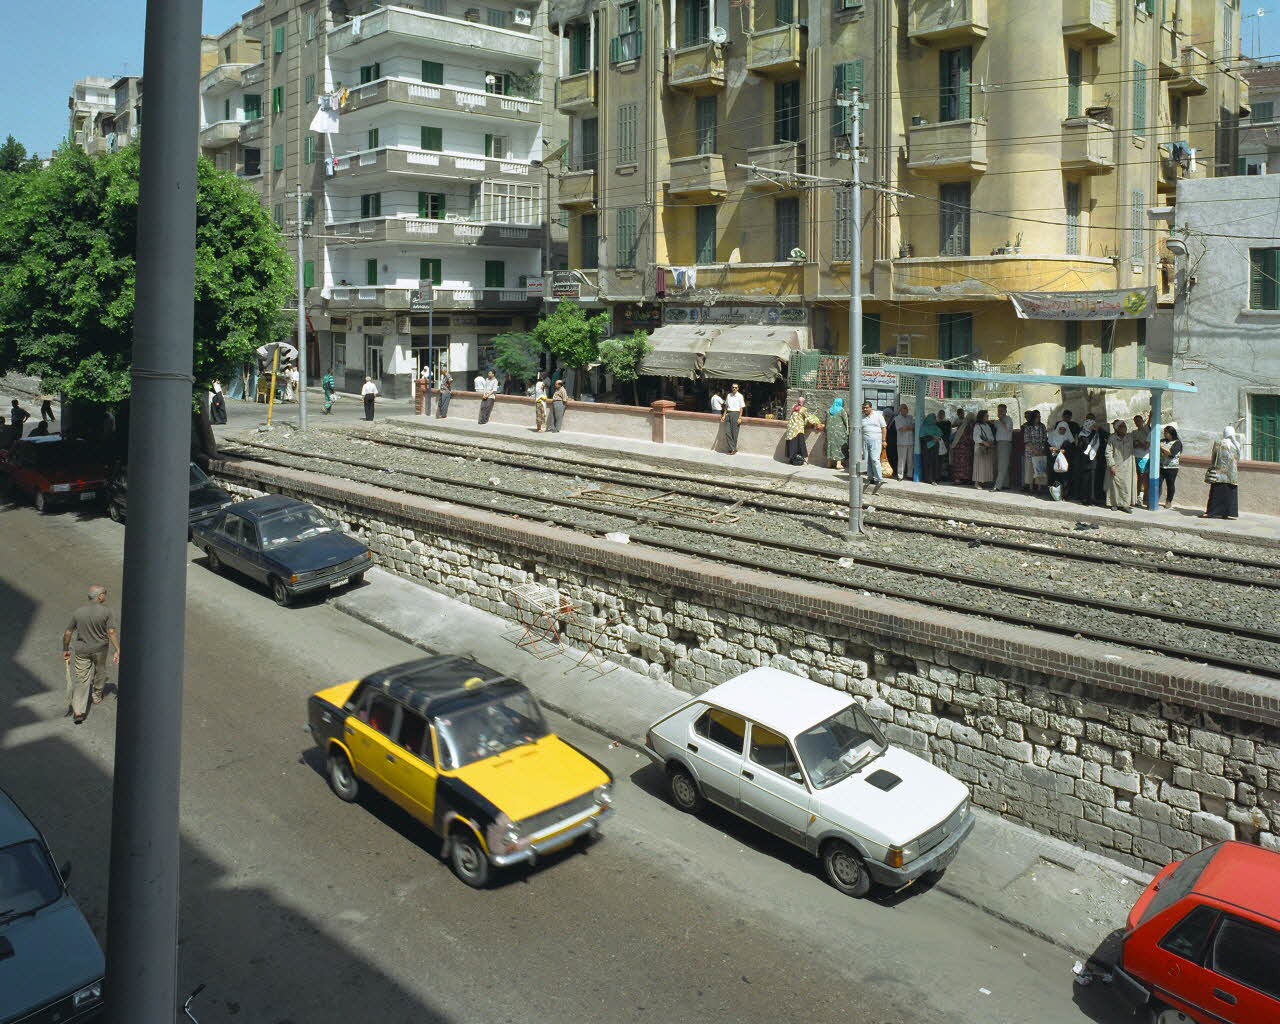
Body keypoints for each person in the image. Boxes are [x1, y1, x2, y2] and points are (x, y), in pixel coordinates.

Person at [62, 584, 121, 724]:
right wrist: (118, 649)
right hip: (100, 649)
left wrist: (65, 648)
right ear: (100, 596)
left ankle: (78, 711)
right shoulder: (106, 612)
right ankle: (96, 695)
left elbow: (68, 632)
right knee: (100, 671)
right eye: (104, 593)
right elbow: (111, 632)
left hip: (82, 650)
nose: (105, 596)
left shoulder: (78, 612)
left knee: (81, 679)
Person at [1202, 425, 1241, 519]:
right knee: (1229, 494)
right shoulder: (1237, 445)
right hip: (1232, 474)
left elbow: (1214, 457)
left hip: (1219, 473)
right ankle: (1227, 513)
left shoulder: (1218, 443)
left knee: (1216, 493)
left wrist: (1212, 467)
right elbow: (1238, 459)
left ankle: (1211, 512)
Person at [1105, 419, 1135, 513]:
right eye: (1122, 427)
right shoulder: (1112, 438)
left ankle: (1125, 505)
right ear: (1117, 428)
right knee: (1114, 485)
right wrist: (1112, 465)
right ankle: (1114, 504)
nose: (1124, 428)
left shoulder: (1129, 437)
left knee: (1126, 485)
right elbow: (1108, 452)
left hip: (1127, 466)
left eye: (1125, 426)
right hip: (1116, 465)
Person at [1074, 413, 1104, 505]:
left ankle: (1092, 498)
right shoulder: (1082, 434)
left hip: (1094, 459)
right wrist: (1093, 433)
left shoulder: (1096, 433)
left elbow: (1105, 436)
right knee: (1085, 479)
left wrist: (1098, 430)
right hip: (1085, 460)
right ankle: (1084, 498)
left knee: (1093, 479)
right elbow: (1085, 444)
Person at [784, 397, 823, 465]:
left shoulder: (794, 407)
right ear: (803, 402)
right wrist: (816, 424)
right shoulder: (803, 409)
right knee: (798, 445)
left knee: (792, 444)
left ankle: (792, 459)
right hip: (798, 429)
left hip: (791, 430)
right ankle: (797, 460)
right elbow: (809, 417)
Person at [860, 401, 886, 491]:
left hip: (876, 440)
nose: (865, 409)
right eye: (864, 408)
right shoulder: (861, 417)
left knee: (875, 459)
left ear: (871, 408)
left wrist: (884, 440)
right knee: (867, 460)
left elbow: (884, 428)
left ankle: (879, 478)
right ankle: (870, 477)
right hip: (865, 440)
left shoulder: (878, 415)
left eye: (866, 407)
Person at [1022, 410, 1049, 495]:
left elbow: (1045, 439)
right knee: (1030, 469)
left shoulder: (1042, 426)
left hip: (1040, 451)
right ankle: (1030, 488)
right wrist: (1035, 450)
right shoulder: (1028, 427)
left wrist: (1041, 449)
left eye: (1040, 416)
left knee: (1039, 469)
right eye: (1038, 416)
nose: (1039, 418)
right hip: (1030, 451)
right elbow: (1027, 440)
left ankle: (1039, 488)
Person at [1046, 418, 1074, 498]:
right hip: (1053, 461)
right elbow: (1047, 446)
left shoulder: (1068, 439)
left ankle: (1064, 495)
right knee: (1054, 478)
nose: (1062, 431)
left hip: (1064, 462)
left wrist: (1063, 451)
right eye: (1060, 429)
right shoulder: (1052, 436)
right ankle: (1054, 495)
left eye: (1064, 429)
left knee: (1064, 479)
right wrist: (1051, 448)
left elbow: (1071, 450)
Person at [1159, 425, 1182, 509]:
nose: (1164, 434)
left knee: (1170, 485)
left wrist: (1161, 447)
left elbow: (1171, 453)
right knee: (1158, 483)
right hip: (1161, 466)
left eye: (1166, 432)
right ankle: (1156, 499)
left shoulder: (1177, 443)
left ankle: (1169, 501)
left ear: (1171, 433)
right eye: (1164, 432)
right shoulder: (1162, 441)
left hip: (1172, 468)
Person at [971, 410, 996, 488]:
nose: (988, 417)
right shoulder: (977, 426)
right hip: (980, 448)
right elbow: (976, 437)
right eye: (986, 416)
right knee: (979, 466)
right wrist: (984, 442)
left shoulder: (987, 426)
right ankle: (977, 483)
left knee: (986, 465)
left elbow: (991, 436)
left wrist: (991, 441)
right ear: (982, 417)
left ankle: (984, 482)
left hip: (987, 448)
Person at [950, 412, 976, 484]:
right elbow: (969, 437)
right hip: (964, 448)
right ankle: (963, 479)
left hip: (959, 447)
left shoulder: (964, 424)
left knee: (960, 463)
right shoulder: (969, 425)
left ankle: (959, 479)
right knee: (964, 463)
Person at [824, 397, 849, 470]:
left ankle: (829, 463)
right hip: (839, 432)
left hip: (829, 432)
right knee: (839, 446)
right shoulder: (841, 410)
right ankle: (838, 464)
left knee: (830, 446)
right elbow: (846, 421)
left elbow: (826, 421)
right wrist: (847, 431)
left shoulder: (828, 410)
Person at [993, 404, 1014, 490]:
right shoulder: (997, 422)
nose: (1000, 412)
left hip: (1005, 443)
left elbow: (1007, 428)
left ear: (1005, 411)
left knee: (1002, 465)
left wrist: (1001, 419)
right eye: (999, 410)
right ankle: (1005, 484)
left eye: (1002, 410)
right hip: (999, 443)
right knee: (1002, 464)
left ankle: (998, 486)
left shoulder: (1008, 419)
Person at [1132, 414, 1150, 509]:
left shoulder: (1147, 430)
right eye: (1136, 421)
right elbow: (1133, 444)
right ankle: (1137, 495)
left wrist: (1140, 443)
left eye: (1139, 421)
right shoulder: (1134, 432)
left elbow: (1146, 446)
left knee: (1143, 477)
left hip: (1144, 457)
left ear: (1142, 421)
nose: (1137, 423)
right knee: (1137, 476)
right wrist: (1138, 443)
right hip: (1135, 456)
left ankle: (1142, 495)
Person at [918, 413, 943, 484]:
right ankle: (928, 479)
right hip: (927, 450)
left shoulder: (935, 427)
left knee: (935, 463)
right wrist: (932, 437)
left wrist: (937, 438)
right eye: (934, 418)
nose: (935, 420)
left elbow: (941, 434)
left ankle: (935, 478)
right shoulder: (924, 427)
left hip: (935, 448)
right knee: (928, 463)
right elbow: (922, 438)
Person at [893, 404, 915, 482]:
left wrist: (908, 427)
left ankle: (910, 474)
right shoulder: (897, 418)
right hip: (902, 442)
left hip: (910, 441)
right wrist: (909, 427)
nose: (906, 410)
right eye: (904, 408)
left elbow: (914, 426)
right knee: (901, 459)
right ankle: (900, 475)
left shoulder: (910, 417)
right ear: (900, 410)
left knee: (910, 459)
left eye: (906, 408)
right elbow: (902, 429)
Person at [723, 383, 746, 455]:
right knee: (727, 432)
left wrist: (740, 417)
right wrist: (724, 415)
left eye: (736, 387)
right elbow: (726, 406)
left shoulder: (740, 396)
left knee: (734, 433)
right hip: (728, 414)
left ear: (738, 388)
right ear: (731, 388)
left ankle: (732, 449)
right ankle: (733, 448)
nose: (734, 389)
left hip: (736, 414)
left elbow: (741, 408)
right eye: (733, 387)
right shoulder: (728, 395)